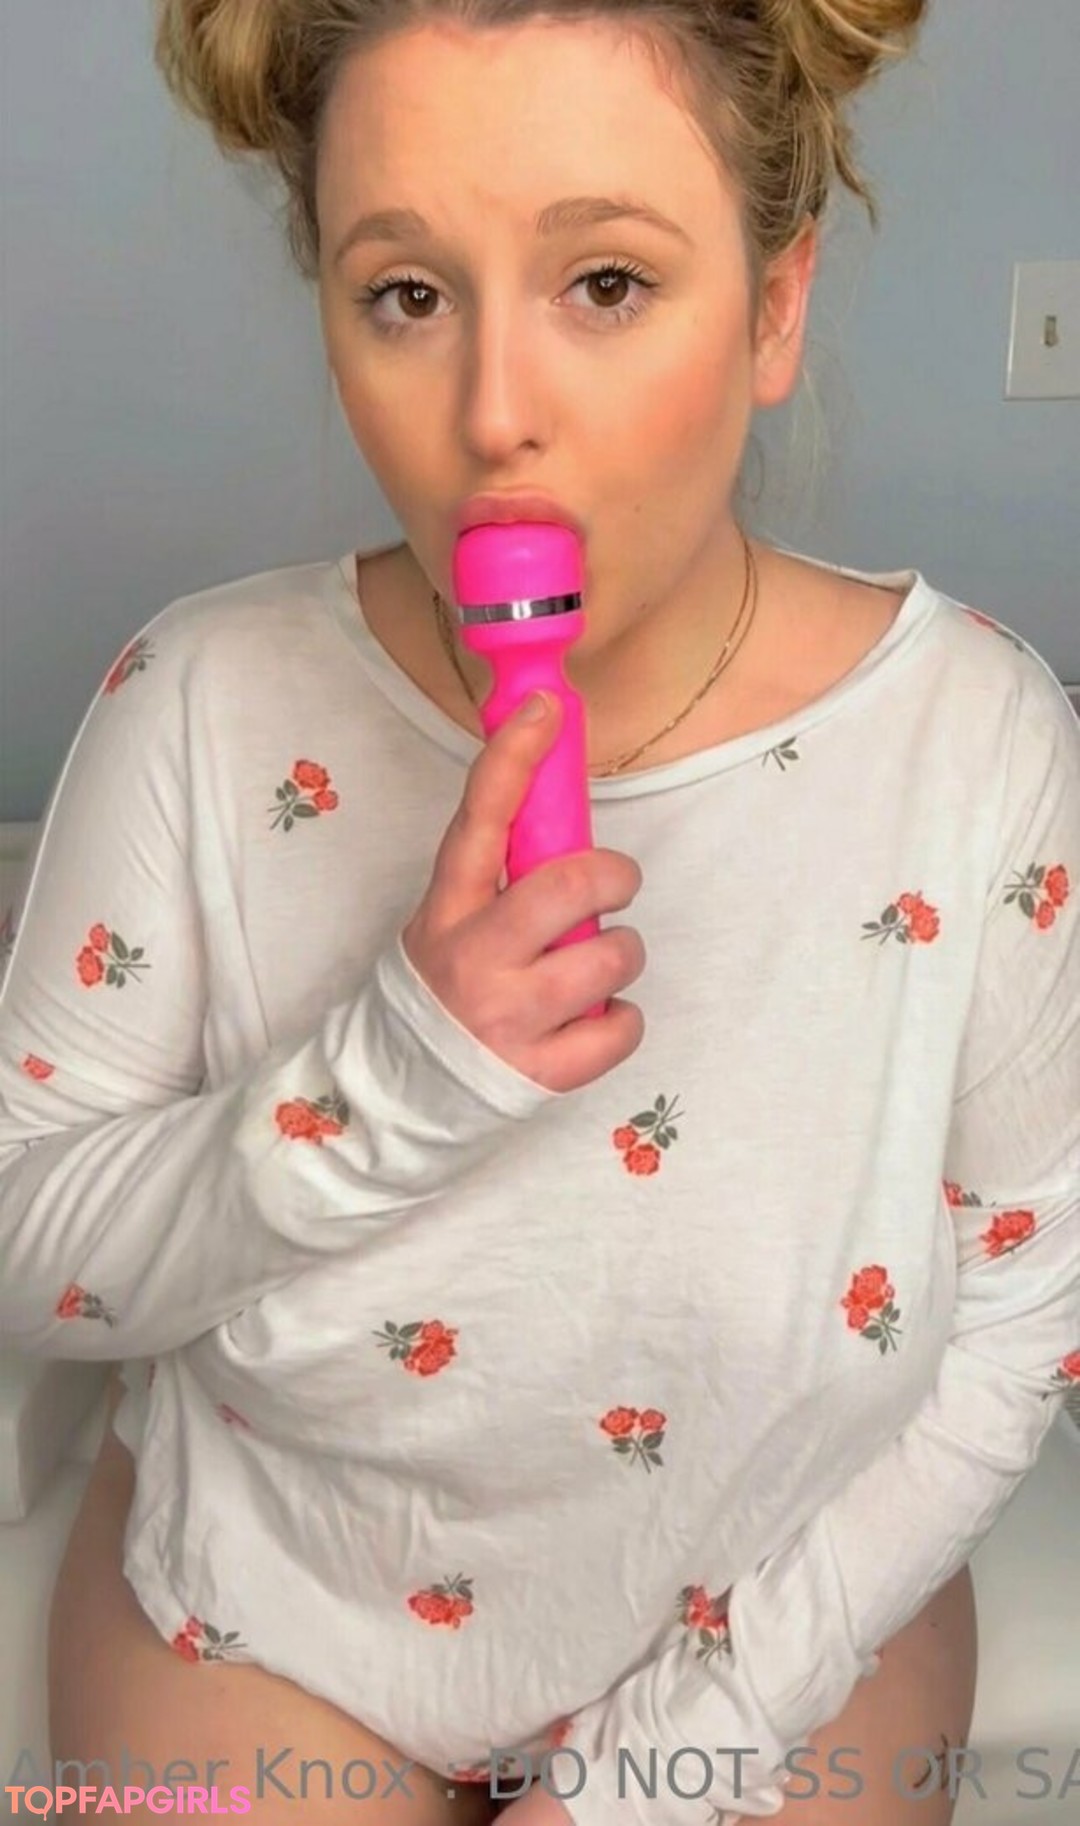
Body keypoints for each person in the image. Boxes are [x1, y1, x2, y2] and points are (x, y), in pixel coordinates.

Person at [1, 1, 1076, 1822]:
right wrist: (390, 1079)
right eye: (408, 294)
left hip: (781, 1610)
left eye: (606, 283)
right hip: (275, 1610)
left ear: (775, 307)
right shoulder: (198, 703)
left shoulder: (977, 744)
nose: (493, 412)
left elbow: (1024, 1310)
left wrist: (660, 1767)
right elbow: (29, 1247)